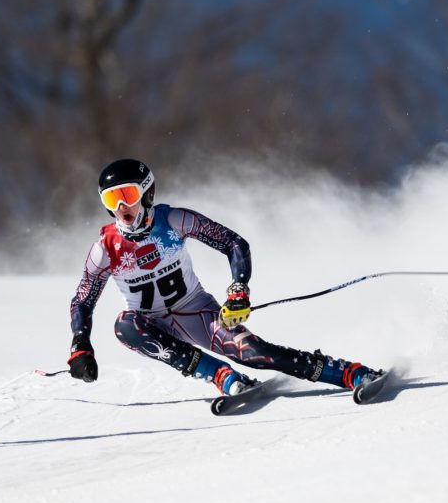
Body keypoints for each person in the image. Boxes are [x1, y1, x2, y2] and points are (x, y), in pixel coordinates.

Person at [67, 158, 383, 396]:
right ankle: (220, 376)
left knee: (256, 354)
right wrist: (80, 345)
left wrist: (238, 290)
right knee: (124, 326)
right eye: (111, 199)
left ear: (147, 192)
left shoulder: (174, 219)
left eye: (127, 194)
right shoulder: (105, 249)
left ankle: (350, 373)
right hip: (152, 324)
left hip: (197, 311)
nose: (121, 207)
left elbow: (233, 243)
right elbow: (83, 299)